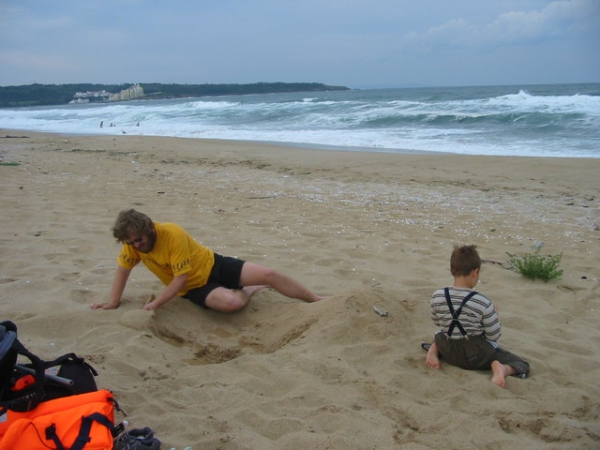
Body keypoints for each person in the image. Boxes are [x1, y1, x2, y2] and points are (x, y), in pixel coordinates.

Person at [91, 209, 324, 313]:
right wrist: (113, 302)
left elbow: (179, 275)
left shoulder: (172, 233)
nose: (136, 246)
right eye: (131, 243)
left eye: (139, 240)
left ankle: (316, 300)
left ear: (150, 229)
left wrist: (157, 303)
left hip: (213, 264)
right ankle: (250, 290)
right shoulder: (132, 245)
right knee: (232, 304)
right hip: (194, 287)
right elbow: (123, 271)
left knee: (269, 274)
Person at [424, 245, 529, 388]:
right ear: (475, 272)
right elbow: (493, 336)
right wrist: (494, 316)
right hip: (475, 356)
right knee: (521, 364)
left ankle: (434, 349)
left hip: (448, 351)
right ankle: (503, 369)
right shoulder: (483, 302)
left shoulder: (437, 295)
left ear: (451, 270)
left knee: (440, 333)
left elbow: (437, 321)